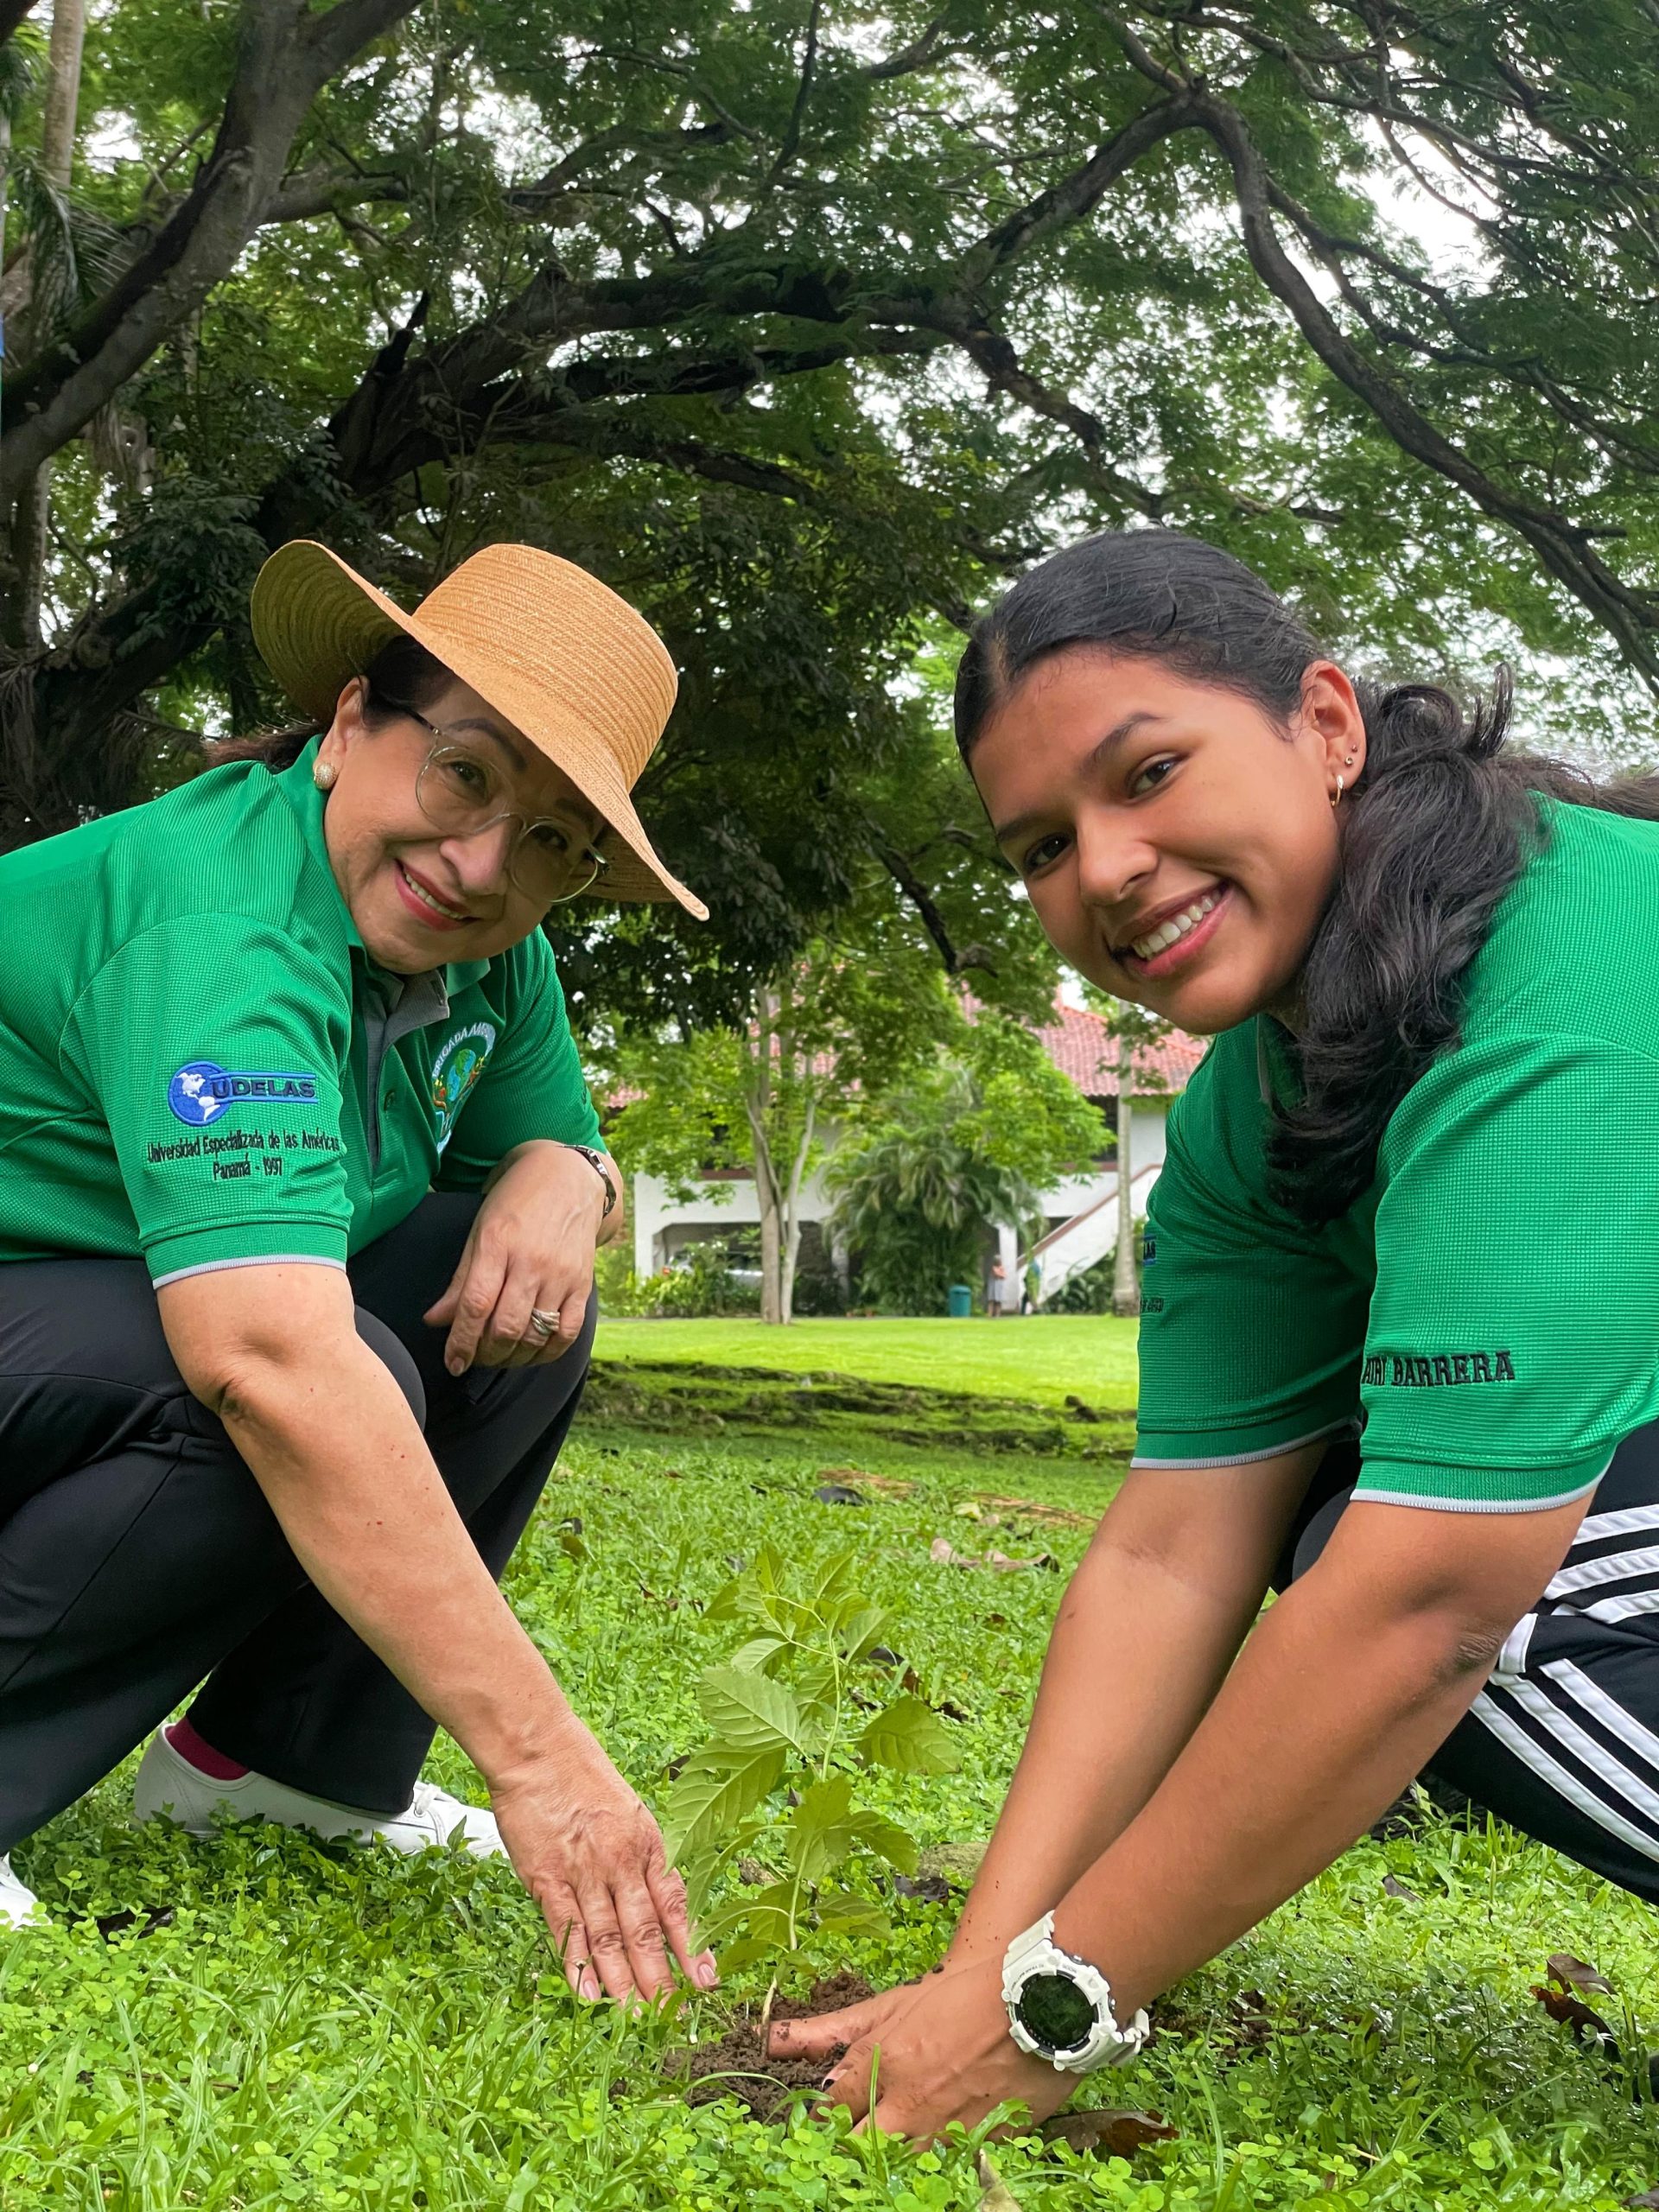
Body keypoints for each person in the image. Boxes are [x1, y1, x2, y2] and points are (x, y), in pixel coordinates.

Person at [774, 528, 1659, 2131]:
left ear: (1327, 725)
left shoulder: (1576, 955)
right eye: (1039, 848)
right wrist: (988, 1969)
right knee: (1344, 1526)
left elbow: (1435, 1602)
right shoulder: (1260, 1098)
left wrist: (1049, 2017)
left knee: (1488, 1617)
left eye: (1150, 772)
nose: (1102, 870)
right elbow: (1176, 1549)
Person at [0, 537, 717, 2007]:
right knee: (286, 1381)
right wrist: (544, 1767)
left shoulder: (484, 939)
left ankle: (288, 1771)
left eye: (554, 837)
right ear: (345, 728)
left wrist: (563, 1179)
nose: (482, 863)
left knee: (500, 1285)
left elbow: (552, 1146)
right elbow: (267, 1360)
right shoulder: (225, 925)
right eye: (464, 774)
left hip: (58, 1320)